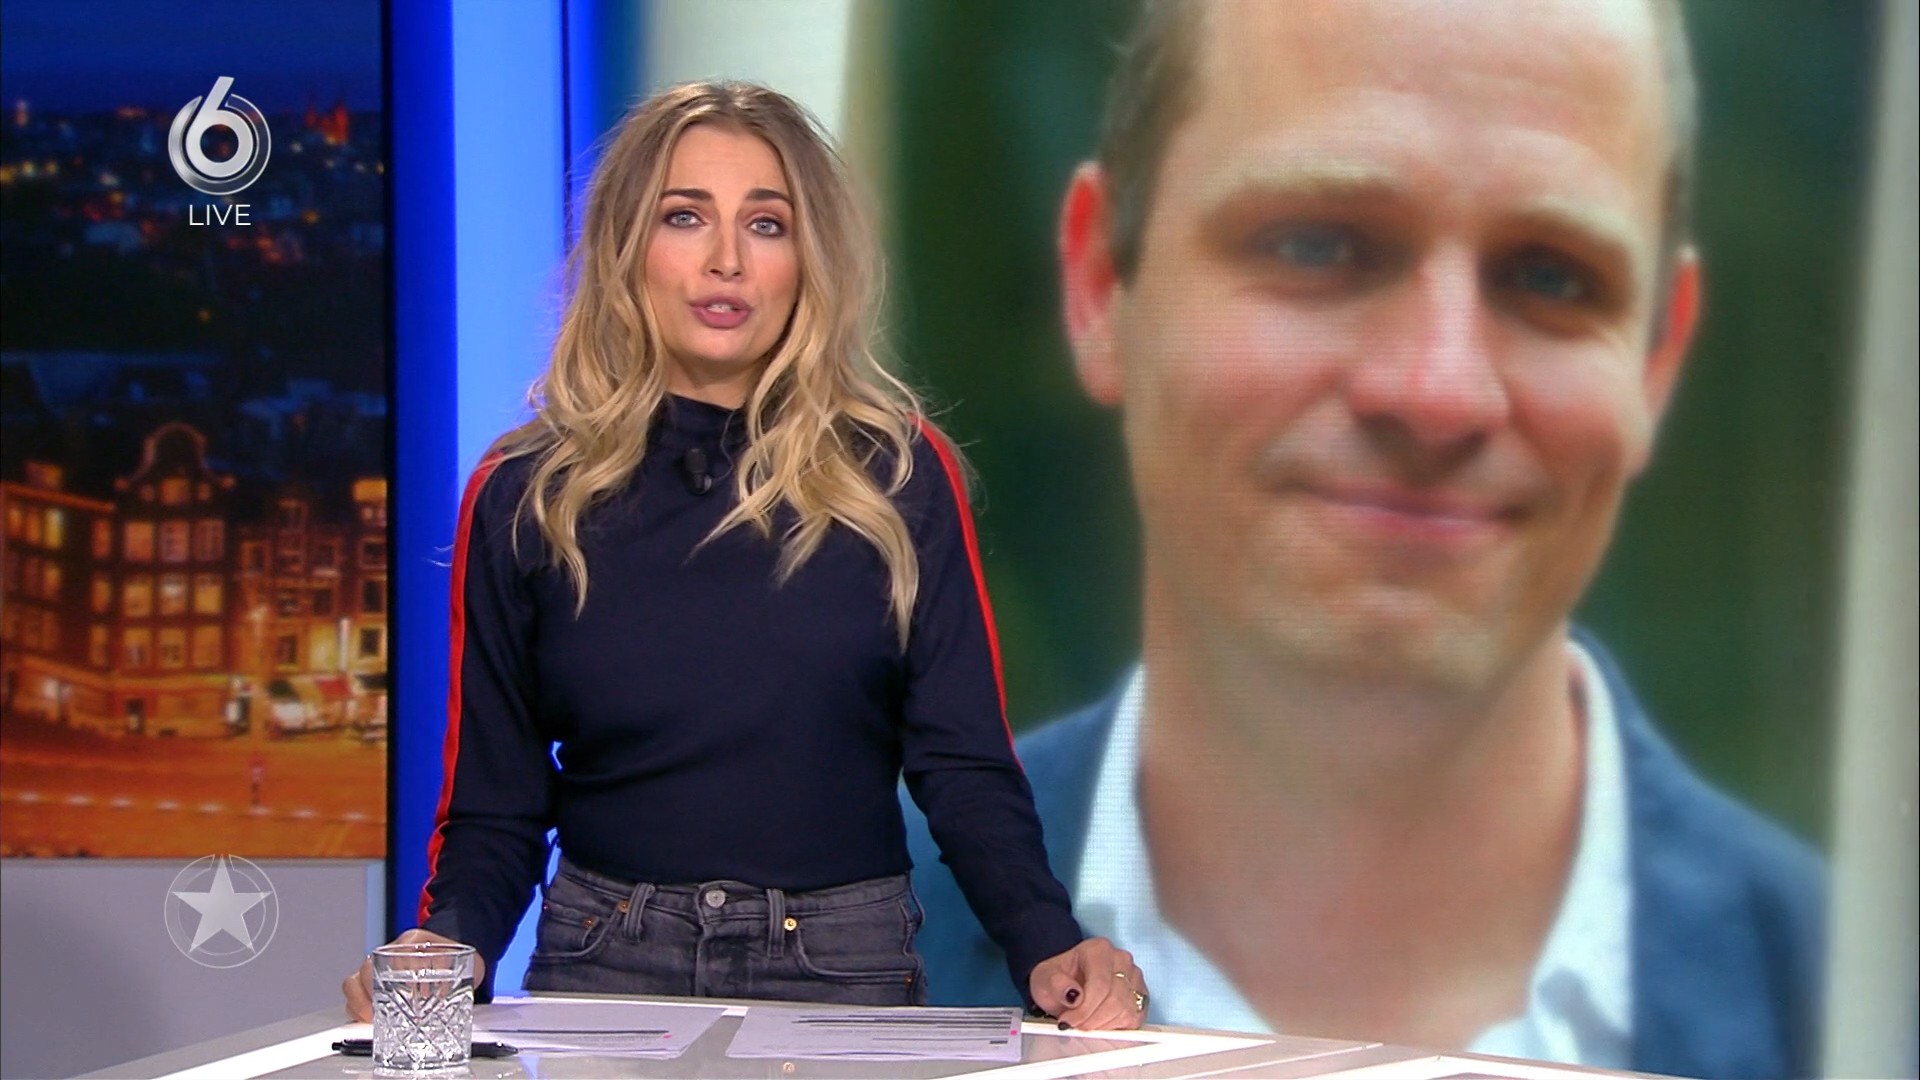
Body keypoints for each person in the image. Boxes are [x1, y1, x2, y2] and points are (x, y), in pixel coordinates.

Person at [903, 2, 1824, 1077]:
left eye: (1551, 277)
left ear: (1658, 359)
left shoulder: (1867, 1015)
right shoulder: (795, 952)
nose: (1437, 390)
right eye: (1319, 245)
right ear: (1103, 281)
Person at [343, 81, 1146, 1030]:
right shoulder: (527, 492)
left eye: (766, 225)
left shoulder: (896, 473)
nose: (726, 260)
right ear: (626, 246)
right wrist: (445, 945)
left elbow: (963, 764)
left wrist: (1048, 942)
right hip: (608, 961)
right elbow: (495, 804)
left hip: (842, 965)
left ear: (806, 263)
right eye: (684, 217)